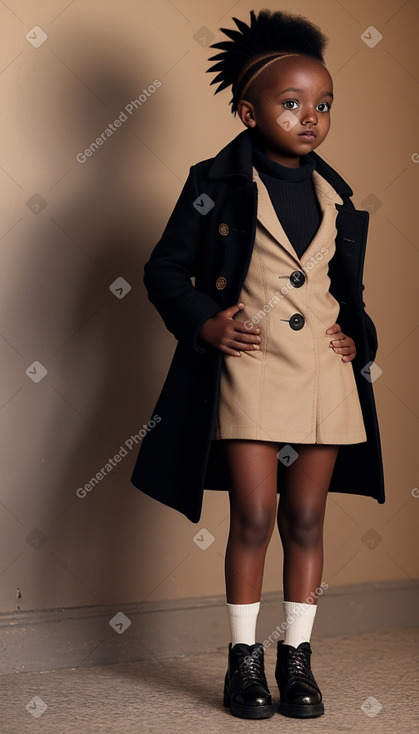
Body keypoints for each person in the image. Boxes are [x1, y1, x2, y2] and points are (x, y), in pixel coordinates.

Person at [130, 8, 385, 721]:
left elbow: (343, 292)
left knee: (306, 518)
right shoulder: (214, 183)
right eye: (291, 103)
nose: (310, 117)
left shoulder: (336, 194)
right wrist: (204, 325)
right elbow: (163, 270)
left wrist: (357, 338)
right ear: (248, 111)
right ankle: (243, 663)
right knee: (253, 515)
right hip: (249, 371)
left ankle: (295, 659)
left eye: (323, 104)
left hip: (322, 377)